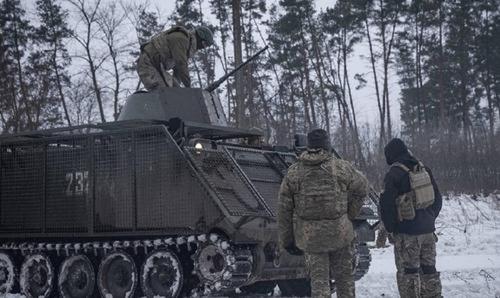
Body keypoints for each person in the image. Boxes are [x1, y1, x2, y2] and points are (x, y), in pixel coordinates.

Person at [278, 128, 368, 298]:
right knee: (345, 282)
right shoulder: (342, 167)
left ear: (308, 146)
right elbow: (362, 189)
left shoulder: (295, 172)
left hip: (311, 239)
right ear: (327, 145)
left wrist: (288, 240)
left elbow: (284, 209)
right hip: (340, 234)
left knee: (319, 284)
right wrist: (349, 214)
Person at [380, 138, 443, 298]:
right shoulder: (423, 169)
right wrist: (429, 219)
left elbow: (386, 207)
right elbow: (438, 199)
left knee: (409, 274)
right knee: (429, 271)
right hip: (428, 233)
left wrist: (392, 229)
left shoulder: (394, 174)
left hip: (407, 234)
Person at [136, 26, 214, 90]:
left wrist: (177, 87)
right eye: (204, 44)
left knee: (174, 93)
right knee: (163, 92)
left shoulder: (187, 46)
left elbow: (177, 70)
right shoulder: (182, 39)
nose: (203, 48)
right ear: (200, 39)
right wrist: (189, 87)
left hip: (158, 67)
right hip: (148, 64)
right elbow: (181, 64)